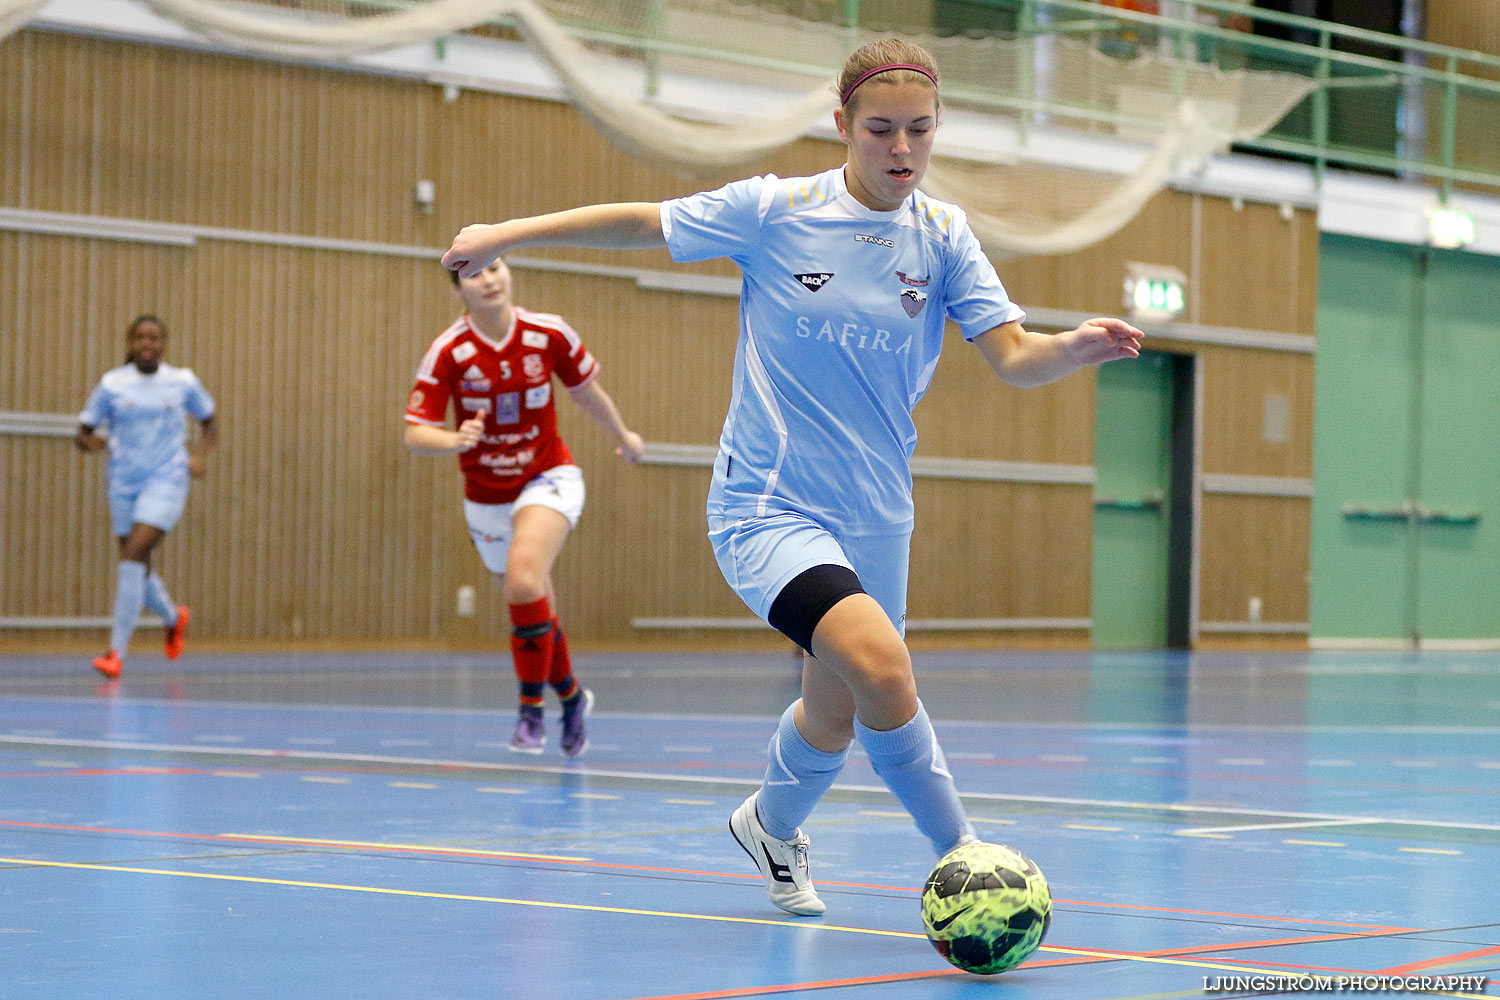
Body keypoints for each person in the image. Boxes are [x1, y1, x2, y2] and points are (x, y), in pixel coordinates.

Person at [442, 38, 1143, 913]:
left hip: (879, 514)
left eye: (919, 131)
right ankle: (967, 859)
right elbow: (644, 221)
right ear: (841, 123)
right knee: (884, 669)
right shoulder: (775, 211)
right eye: (880, 129)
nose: (901, 150)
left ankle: (769, 827)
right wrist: (506, 235)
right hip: (767, 506)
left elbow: (1011, 356)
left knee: (838, 712)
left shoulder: (944, 236)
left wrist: (1069, 349)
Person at [405, 260, 645, 758]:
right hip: (486, 496)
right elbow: (414, 434)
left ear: (508, 273)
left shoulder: (547, 332)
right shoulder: (448, 352)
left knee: (521, 578)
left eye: (495, 267)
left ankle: (530, 711)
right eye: (475, 275)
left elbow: (585, 392)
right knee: (533, 598)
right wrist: (454, 439)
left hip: (548, 476)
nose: (489, 279)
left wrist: (623, 436)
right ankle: (573, 698)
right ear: (460, 292)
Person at [77, 315, 218, 679]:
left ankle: (115, 653)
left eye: (154, 338)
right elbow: (83, 433)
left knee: (134, 553)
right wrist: (97, 443)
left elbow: (210, 423)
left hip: (167, 481)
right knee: (137, 566)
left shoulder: (182, 382)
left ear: (164, 344)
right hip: (123, 482)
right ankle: (173, 618)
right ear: (130, 341)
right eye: (140, 337)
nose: (147, 344)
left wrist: (199, 455)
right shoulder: (113, 384)